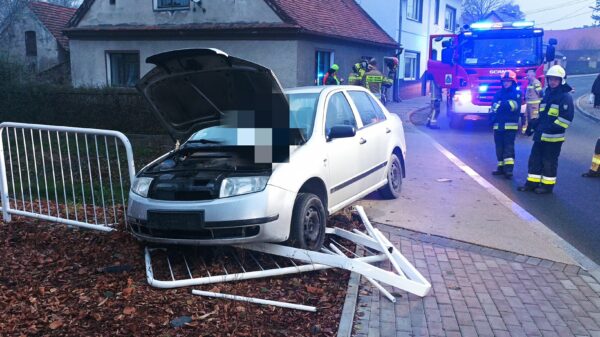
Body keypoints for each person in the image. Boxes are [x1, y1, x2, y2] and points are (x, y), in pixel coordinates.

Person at [518, 65, 574, 194]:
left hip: (554, 138)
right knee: (534, 159)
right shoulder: (547, 94)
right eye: (551, 79)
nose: (553, 82)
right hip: (541, 134)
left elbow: (566, 119)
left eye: (556, 79)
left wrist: (548, 128)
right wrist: (534, 124)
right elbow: (543, 114)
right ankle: (531, 183)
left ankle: (547, 186)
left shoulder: (565, 97)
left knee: (549, 162)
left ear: (561, 81)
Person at [490, 70, 521, 179]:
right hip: (498, 125)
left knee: (508, 147)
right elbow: (493, 107)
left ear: (513, 82)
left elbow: (514, 106)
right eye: (504, 81)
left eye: (508, 81)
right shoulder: (498, 93)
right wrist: (492, 119)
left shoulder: (516, 93)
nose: (506, 83)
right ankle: (501, 167)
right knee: (499, 147)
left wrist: (501, 104)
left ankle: (508, 170)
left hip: (510, 126)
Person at [524, 69, 543, 134]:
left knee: (534, 118)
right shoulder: (530, 83)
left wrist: (540, 102)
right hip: (529, 104)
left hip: (534, 104)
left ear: (532, 76)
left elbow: (540, 92)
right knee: (528, 117)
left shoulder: (536, 83)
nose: (527, 76)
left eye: (528, 75)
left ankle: (534, 130)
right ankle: (529, 130)